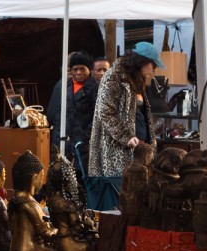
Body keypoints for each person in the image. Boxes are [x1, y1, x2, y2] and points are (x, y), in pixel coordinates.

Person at [89, 42, 163, 177]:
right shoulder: (114, 77)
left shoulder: (135, 79)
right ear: (142, 62)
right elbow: (105, 112)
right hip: (119, 149)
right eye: (154, 65)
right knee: (123, 191)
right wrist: (126, 137)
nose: (155, 70)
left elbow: (140, 113)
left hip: (139, 147)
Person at [46, 51, 98, 173]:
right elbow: (57, 112)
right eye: (75, 69)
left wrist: (86, 136)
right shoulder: (65, 86)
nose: (78, 73)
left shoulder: (95, 88)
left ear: (89, 69)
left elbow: (97, 116)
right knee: (58, 174)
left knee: (80, 176)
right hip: (62, 140)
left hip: (82, 143)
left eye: (82, 69)